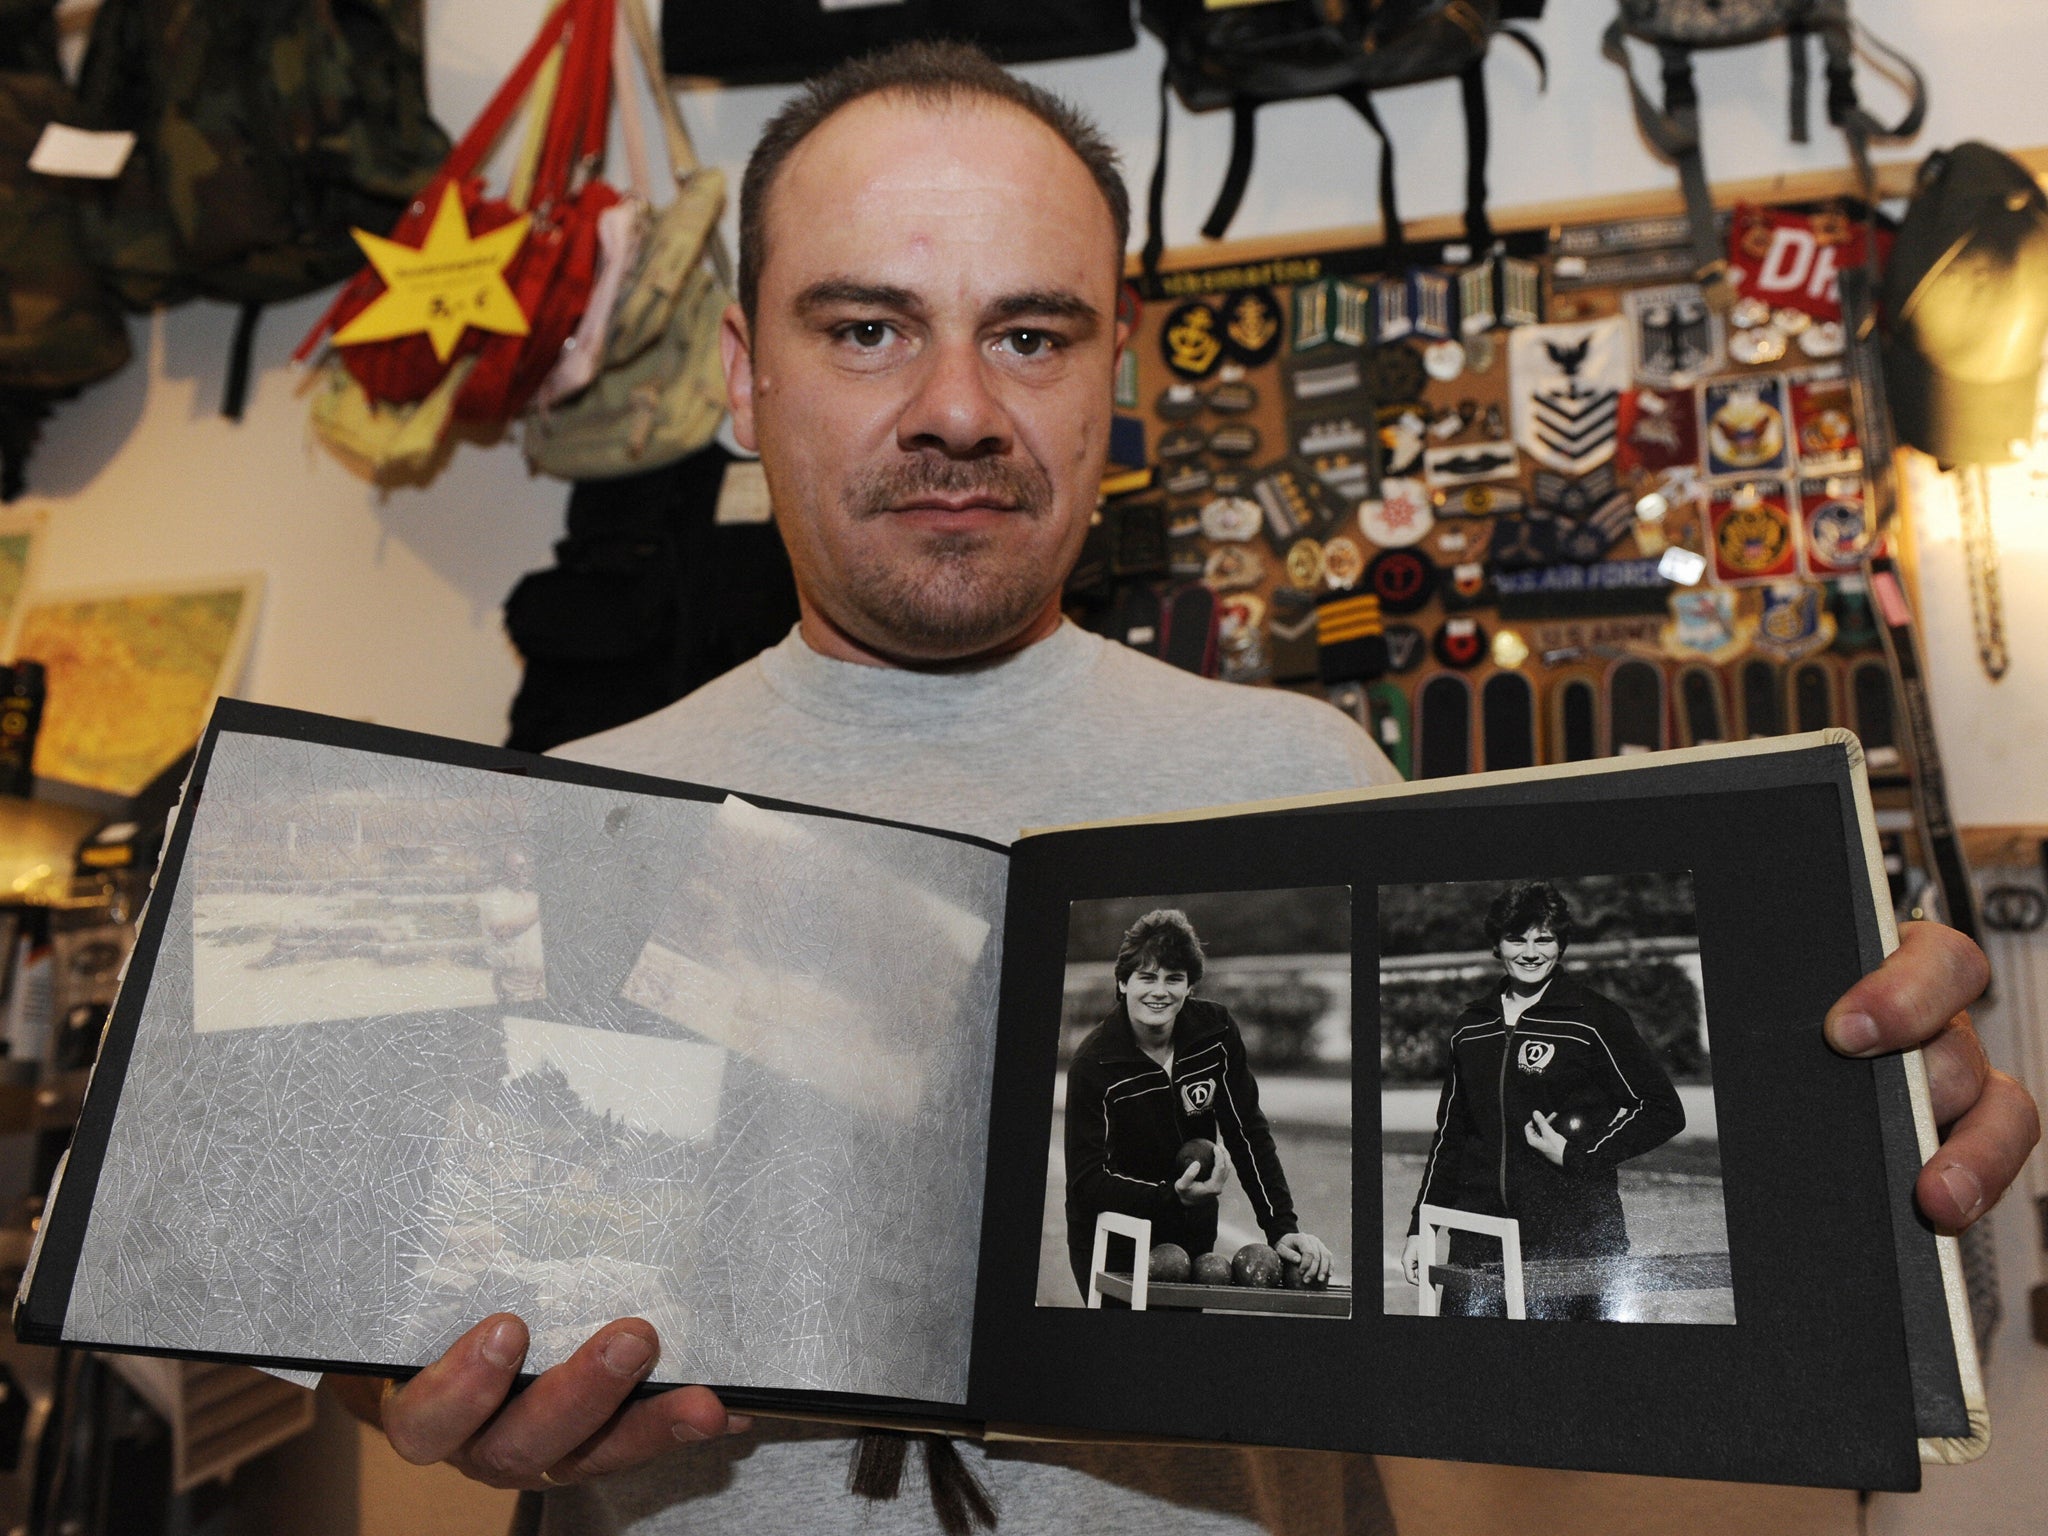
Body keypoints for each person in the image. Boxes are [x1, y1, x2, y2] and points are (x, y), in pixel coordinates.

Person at [321, 37, 2039, 1536]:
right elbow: (376, 1303)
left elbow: (1679, 1317)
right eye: (865, 328)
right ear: (740, 375)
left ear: (1117, 372)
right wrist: (399, 1381)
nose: (956, 409)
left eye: (1031, 334)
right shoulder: (571, 822)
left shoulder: (1300, 783)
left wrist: (1888, 1169)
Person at [1399, 882, 1686, 1320]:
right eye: (1517, 939)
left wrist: (1577, 1154)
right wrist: (1423, 1226)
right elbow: (1450, 1136)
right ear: (1497, 944)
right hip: (1479, 1237)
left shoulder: (1593, 1019)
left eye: (1544, 939)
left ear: (1561, 944)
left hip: (1572, 1236)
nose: (1530, 952)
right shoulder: (1471, 1027)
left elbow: (1661, 1108)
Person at [1064, 909, 1334, 1300]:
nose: (1160, 992)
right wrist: (1171, 1197)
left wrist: (1282, 1227)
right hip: (1113, 1236)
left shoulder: (1216, 1033)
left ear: (1190, 986)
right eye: (1146, 977)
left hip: (1191, 1230)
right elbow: (1088, 1180)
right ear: (1123, 982)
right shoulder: (1095, 1064)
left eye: (1174, 979)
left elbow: (1247, 1132)